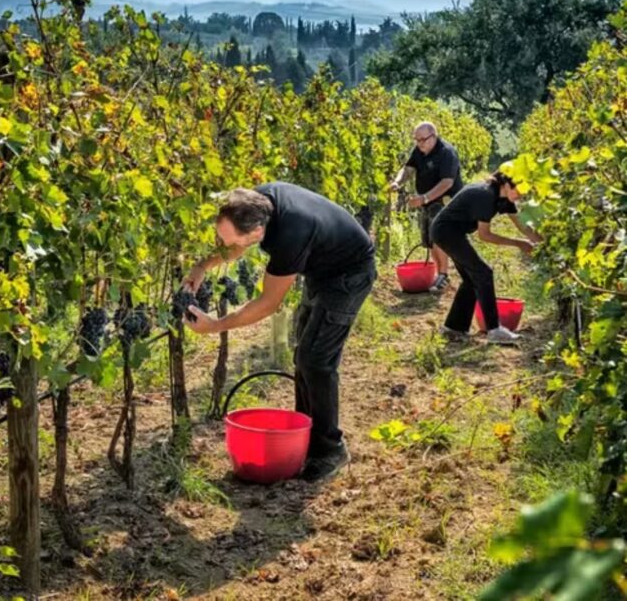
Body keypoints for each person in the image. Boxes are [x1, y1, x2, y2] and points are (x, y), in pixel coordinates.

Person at [182, 183, 376, 483]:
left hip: (349, 275)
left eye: (228, 240)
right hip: (322, 269)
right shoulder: (254, 201)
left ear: (257, 232)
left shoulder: (289, 236)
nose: (224, 245)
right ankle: (307, 436)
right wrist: (201, 266)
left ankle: (330, 450)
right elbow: (235, 245)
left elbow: (268, 303)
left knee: (316, 361)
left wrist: (216, 325)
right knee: (304, 357)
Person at [430, 167, 540, 345]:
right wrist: (519, 243)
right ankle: (494, 330)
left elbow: (523, 226)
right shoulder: (486, 196)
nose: (522, 195)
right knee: (483, 273)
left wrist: (544, 244)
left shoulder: (503, 198)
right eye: (519, 190)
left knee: (471, 279)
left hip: (452, 232)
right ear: (506, 185)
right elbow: (485, 235)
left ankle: (454, 328)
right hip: (446, 232)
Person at [387, 121, 463, 292]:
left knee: (439, 236)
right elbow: (408, 169)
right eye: (417, 140)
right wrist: (397, 182)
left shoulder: (446, 153)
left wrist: (424, 198)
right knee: (429, 239)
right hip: (427, 201)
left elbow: (447, 182)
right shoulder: (419, 150)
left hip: (445, 200)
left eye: (423, 139)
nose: (419, 143)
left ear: (434, 136)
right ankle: (438, 274)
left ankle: (443, 275)